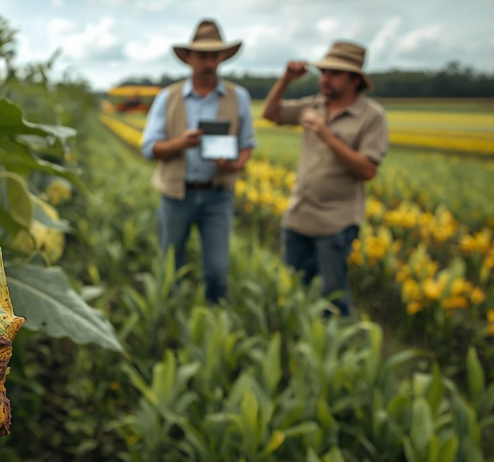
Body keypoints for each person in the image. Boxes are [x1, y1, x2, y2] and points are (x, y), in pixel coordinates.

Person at [262, 41, 389, 316]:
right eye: (323, 72)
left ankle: (335, 351)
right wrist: (286, 79)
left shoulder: (372, 116)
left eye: (334, 73)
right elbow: (271, 113)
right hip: (299, 214)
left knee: (333, 297)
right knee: (293, 291)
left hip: (337, 221)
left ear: (355, 79)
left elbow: (367, 170)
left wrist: (326, 135)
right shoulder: (314, 105)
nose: (325, 79)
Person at [141, 19, 256, 304]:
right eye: (202, 55)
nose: (208, 62)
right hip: (175, 195)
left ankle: (214, 324)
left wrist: (233, 165)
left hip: (218, 196)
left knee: (217, 271)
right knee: (171, 267)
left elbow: (247, 146)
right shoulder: (167, 97)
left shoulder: (238, 97)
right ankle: (170, 319)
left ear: (222, 58)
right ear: (189, 58)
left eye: (214, 55)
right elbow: (148, 148)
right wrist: (182, 143)